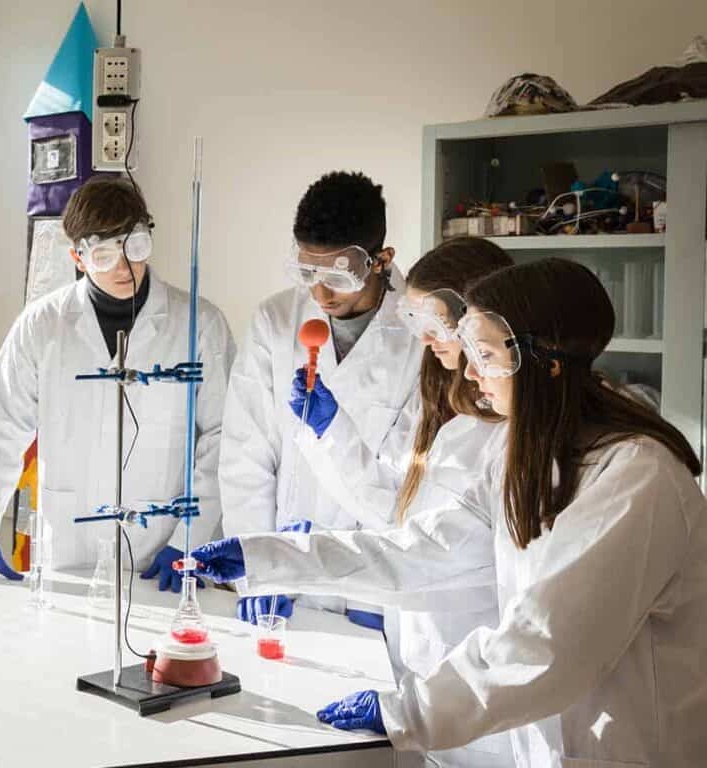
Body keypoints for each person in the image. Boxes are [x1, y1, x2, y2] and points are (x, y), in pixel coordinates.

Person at [193, 258, 707, 767]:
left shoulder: (636, 475)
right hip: (547, 745)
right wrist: (265, 556)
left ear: (546, 360)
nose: (469, 369)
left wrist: (410, 710)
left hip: (632, 749)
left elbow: (549, 646)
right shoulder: (519, 451)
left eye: (483, 353)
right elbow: (421, 551)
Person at [279, 236, 516, 768]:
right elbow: (397, 506)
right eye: (416, 322)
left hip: (481, 685)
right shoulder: (442, 398)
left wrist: (288, 558)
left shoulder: (511, 433)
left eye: (433, 324)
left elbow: (424, 552)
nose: (425, 339)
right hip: (424, 664)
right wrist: (330, 429)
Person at [0, 176, 236, 587]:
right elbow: (0, 427)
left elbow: (222, 438)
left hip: (163, 551)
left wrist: (189, 538)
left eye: (136, 246)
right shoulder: (42, 325)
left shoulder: (201, 325)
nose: (125, 267)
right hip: (71, 549)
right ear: (78, 257)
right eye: (104, 255)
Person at [219, 171, 421, 625]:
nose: (320, 292)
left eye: (337, 275)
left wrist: (378, 594)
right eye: (309, 271)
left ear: (381, 260)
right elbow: (245, 456)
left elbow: (408, 485)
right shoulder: (276, 320)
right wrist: (260, 565)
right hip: (283, 587)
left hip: (372, 591)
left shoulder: (421, 336)